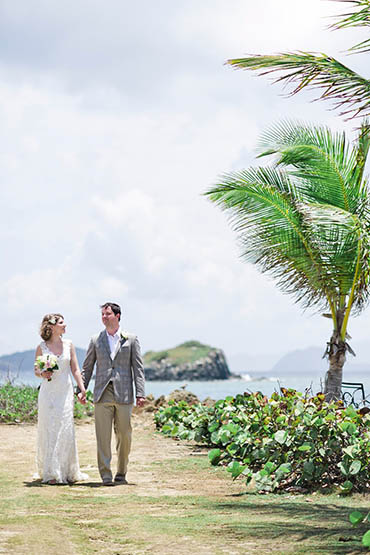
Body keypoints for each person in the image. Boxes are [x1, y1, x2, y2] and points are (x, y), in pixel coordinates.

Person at [79, 302, 145, 486]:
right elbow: (87, 367)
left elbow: (138, 369)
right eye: (102, 314)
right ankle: (105, 475)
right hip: (102, 393)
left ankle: (121, 472)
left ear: (117, 316)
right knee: (103, 436)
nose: (104, 317)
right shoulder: (95, 339)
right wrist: (81, 389)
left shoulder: (131, 339)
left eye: (107, 314)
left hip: (124, 393)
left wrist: (140, 393)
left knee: (124, 434)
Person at [34, 313, 88, 485]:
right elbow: (36, 370)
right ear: (51, 327)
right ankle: (51, 472)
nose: (65, 325)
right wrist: (43, 373)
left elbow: (75, 369)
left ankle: (67, 470)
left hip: (65, 393)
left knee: (65, 428)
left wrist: (82, 387)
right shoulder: (42, 347)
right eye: (62, 323)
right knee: (49, 429)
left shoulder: (69, 344)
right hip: (48, 393)